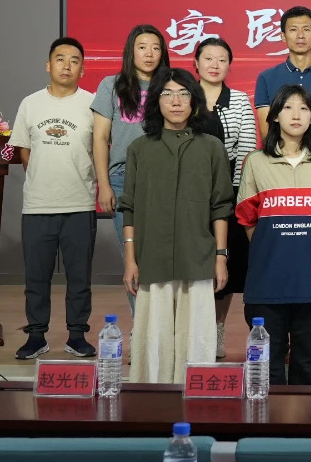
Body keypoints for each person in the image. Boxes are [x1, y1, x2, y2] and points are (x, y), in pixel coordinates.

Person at [120, 68, 233, 384]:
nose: (176, 101)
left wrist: (220, 256)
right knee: (153, 338)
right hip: (152, 257)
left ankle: (196, 397)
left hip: (197, 256)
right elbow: (129, 208)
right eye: (167, 94)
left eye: (184, 94)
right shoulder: (140, 148)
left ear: (194, 101)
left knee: (195, 337)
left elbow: (221, 206)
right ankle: (152, 401)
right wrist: (130, 259)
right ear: (156, 101)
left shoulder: (212, 147)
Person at [236, 85, 311, 385]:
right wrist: (274, 248)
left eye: (303, 108)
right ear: (274, 116)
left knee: (310, 364)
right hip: (267, 283)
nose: (296, 115)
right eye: (287, 107)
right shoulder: (256, 161)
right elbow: (248, 220)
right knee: (265, 369)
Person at [9, 36, 98, 360]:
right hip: (38, 205)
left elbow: (99, 149)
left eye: (74, 60)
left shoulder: (93, 104)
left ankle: (77, 336)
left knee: (79, 278)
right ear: (48, 65)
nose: (67, 66)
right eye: (60, 59)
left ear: (82, 69)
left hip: (80, 203)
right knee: (36, 277)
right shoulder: (30, 103)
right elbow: (24, 150)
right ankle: (36, 336)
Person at [92, 24, 169, 313]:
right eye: (142, 47)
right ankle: (142, 325)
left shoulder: (171, 86)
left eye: (156, 48)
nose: (149, 54)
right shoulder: (112, 85)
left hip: (164, 179)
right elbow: (100, 138)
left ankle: (164, 325)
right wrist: (104, 185)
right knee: (132, 257)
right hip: (123, 179)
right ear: (130, 51)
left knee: (163, 255)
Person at [193, 37, 258, 360]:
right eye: (208, 58)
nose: (215, 65)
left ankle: (217, 329)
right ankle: (195, 330)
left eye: (221, 59)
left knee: (227, 264)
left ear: (229, 65)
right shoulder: (184, 95)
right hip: (190, 191)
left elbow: (247, 149)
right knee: (195, 262)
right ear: (196, 63)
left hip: (228, 191)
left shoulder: (240, 100)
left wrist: (231, 193)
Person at [254, 6, 311, 147]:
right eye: (293, 30)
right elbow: (266, 129)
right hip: (278, 157)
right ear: (283, 36)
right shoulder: (266, 78)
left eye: (306, 29)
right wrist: (283, 155)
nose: (300, 35)